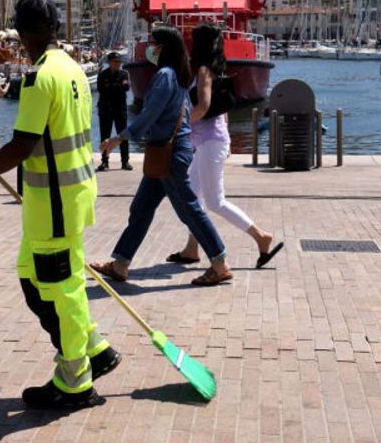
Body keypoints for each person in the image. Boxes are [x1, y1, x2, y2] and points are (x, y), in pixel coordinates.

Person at [0, 0, 120, 410]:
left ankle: (75, 378)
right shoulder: (71, 67)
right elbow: (43, 140)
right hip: (69, 196)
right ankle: (95, 348)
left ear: (21, 33)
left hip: (53, 200)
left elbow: (22, 146)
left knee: (59, 289)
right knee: (34, 276)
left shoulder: (38, 78)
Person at [90, 25, 233, 287]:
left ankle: (220, 262)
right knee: (141, 208)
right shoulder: (176, 74)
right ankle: (120, 264)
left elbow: (149, 115)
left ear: (163, 47)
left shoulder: (165, 75)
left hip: (168, 154)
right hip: (165, 151)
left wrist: (118, 138)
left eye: (152, 43)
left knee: (188, 209)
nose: (148, 47)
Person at [166, 23, 283, 269]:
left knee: (215, 202)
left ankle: (261, 237)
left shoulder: (205, 71)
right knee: (193, 198)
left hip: (210, 143)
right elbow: (223, 109)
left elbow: (204, 107)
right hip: (209, 141)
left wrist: (177, 126)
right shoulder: (214, 69)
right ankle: (192, 248)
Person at [95, 52, 131, 171]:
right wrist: (116, 86)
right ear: (109, 62)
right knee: (105, 136)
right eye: (115, 62)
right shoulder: (102, 75)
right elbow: (101, 90)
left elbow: (126, 88)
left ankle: (125, 161)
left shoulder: (124, 74)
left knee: (123, 135)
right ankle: (104, 162)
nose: (118, 64)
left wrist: (111, 86)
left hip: (120, 109)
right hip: (105, 109)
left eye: (119, 62)